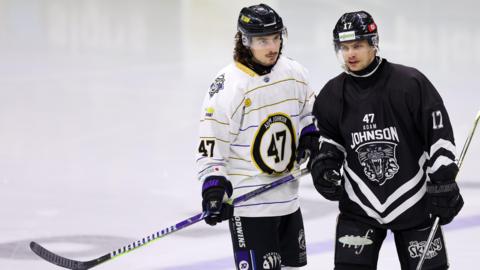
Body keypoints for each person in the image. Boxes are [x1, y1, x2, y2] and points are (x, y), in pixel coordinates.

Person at [309, 11, 464, 270]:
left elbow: (439, 136)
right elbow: (328, 139)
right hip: (360, 207)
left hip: (414, 202)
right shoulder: (332, 94)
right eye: (344, 47)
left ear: (373, 43)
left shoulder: (410, 83)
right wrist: (325, 165)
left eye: (357, 45)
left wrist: (444, 181)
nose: (350, 54)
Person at [196, 3, 318, 270]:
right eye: (263, 40)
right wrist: (214, 186)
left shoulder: (293, 72)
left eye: (276, 38)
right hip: (250, 206)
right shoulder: (228, 86)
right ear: (245, 40)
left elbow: (309, 109)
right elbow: (211, 143)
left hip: (288, 200)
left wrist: (311, 135)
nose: (273, 47)